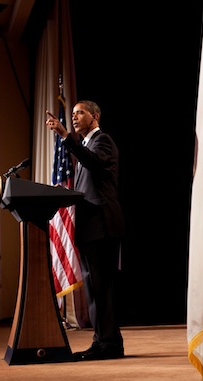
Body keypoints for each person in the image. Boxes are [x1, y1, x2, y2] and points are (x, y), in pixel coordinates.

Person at [46, 100, 125, 361]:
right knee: (95, 287)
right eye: (73, 114)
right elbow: (88, 188)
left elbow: (92, 162)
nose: (75, 117)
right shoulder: (87, 147)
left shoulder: (102, 141)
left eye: (80, 112)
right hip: (92, 226)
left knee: (101, 287)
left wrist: (65, 136)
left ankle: (108, 344)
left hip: (101, 225)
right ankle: (103, 341)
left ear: (95, 115)